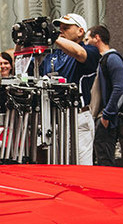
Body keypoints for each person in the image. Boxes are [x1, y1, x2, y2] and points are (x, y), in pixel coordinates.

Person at [40, 13, 99, 164]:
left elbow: (79, 53)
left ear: (80, 31)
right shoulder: (51, 56)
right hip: (55, 119)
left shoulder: (90, 51)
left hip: (77, 118)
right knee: (59, 170)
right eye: (59, 28)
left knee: (82, 171)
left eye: (66, 28)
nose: (61, 30)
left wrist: (54, 37)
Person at [86, 24, 123, 166]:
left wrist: (107, 115)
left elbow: (119, 89)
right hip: (98, 117)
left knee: (105, 161)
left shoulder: (112, 58)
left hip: (105, 118)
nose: (86, 44)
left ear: (97, 38)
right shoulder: (101, 59)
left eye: (87, 39)